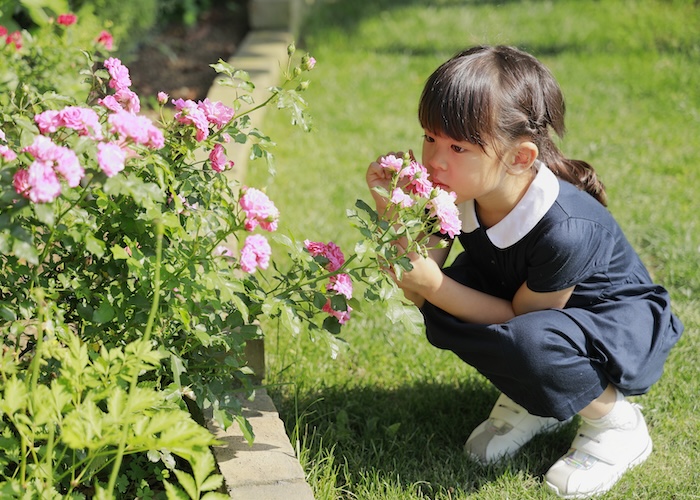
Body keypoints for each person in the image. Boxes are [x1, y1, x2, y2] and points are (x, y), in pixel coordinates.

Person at [365, 45, 683, 498]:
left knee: (522, 338)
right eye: (430, 138)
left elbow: (521, 320)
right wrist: (390, 208)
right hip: (534, 311)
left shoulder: (564, 228)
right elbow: (416, 283)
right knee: (448, 301)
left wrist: (434, 285)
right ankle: (536, 400)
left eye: (458, 146)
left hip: (611, 322)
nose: (435, 158)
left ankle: (616, 424)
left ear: (518, 157)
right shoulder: (454, 192)